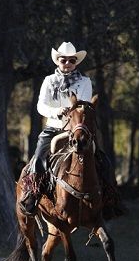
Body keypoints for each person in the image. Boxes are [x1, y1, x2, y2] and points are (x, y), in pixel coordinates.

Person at [18, 41, 125, 219]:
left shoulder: (84, 82)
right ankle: (33, 195)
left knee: (101, 160)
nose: (67, 63)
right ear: (57, 61)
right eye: (63, 60)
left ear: (76, 62)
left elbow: (83, 105)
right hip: (53, 128)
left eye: (71, 60)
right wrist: (57, 112)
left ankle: (109, 200)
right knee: (38, 159)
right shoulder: (48, 81)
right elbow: (40, 106)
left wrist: (72, 114)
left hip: (76, 129)